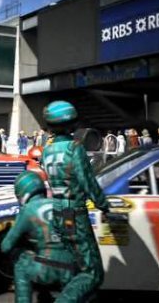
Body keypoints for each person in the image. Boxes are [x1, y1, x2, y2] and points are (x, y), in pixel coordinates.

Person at [41, 100, 110, 302]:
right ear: (71, 124)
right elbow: (87, 182)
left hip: (57, 212)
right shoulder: (74, 148)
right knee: (92, 273)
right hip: (74, 214)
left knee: (73, 266)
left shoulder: (47, 150)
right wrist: (104, 205)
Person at [1, 171, 75, 303]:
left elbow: (6, 246)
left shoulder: (28, 210)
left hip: (46, 268)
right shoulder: (63, 205)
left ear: (23, 194)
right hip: (71, 267)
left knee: (21, 261)